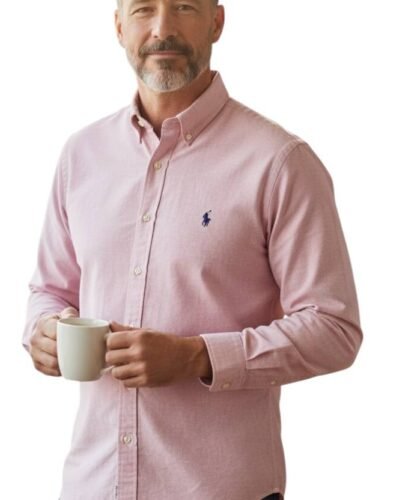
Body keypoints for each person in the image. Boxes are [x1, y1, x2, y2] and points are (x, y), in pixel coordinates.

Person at [22, 1, 363, 499]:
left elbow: (334, 329)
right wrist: (43, 331)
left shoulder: (280, 163)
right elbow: (49, 291)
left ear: (216, 22)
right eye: (144, 9)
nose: (162, 29)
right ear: (118, 26)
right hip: (93, 485)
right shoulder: (82, 155)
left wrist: (197, 357)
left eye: (183, 7)